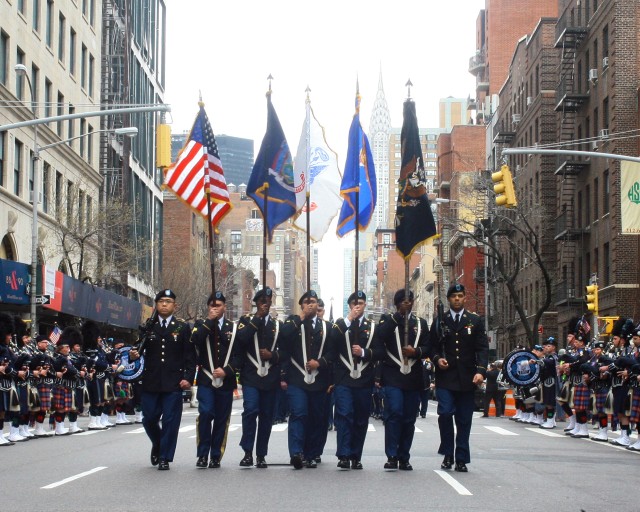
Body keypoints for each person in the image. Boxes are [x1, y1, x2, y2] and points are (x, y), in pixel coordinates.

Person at [129, 289, 195, 471]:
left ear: (175, 305)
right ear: (156, 305)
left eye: (168, 301)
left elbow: (189, 355)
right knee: (148, 419)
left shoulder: (182, 327)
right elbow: (137, 351)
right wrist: (133, 354)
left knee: (170, 421)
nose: (164, 304)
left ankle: (165, 457)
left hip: (174, 382)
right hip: (150, 381)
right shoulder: (147, 327)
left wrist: (188, 378)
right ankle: (157, 444)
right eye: (161, 301)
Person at [427, 283, 489, 473]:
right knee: (445, 413)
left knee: (464, 419)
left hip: (467, 378)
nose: (457, 299)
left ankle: (461, 458)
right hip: (446, 377)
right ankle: (448, 453)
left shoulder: (475, 321)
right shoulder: (440, 320)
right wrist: (437, 359)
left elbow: (482, 348)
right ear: (448, 299)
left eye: (460, 296)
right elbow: (432, 346)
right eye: (453, 296)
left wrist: (481, 371)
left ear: (464, 298)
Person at [327, 290, 381, 470]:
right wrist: (350, 318)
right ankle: (343, 455)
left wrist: (364, 352)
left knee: (360, 418)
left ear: (365, 305)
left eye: (361, 303)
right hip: (344, 378)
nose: (358, 307)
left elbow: (380, 351)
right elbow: (332, 341)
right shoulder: (341, 324)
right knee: (344, 414)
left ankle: (355, 455)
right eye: (354, 304)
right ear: (349, 306)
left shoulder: (372, 327)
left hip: (364, 379)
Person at [377, 289, 429, 471]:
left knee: (408, 418)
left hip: (413, 376)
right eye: (403, 301)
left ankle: (404, 456)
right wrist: (398, 317)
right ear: (397, 303)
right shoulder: (388, 320)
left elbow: (428, 346)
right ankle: (392, 455)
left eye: (410, 301)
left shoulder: (420, 324)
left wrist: (417, 352)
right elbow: (380, 336)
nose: (407, 304)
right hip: (393, 374)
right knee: (394, 413)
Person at [280, 289, 332, 469]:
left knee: (316, 417)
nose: (311, 304)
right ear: (301, 305)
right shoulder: (293, 322)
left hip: (318, 380)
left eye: (314, 301)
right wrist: (302, 316)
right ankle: (296, 452)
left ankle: (310, 454)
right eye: (307, 302)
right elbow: (283, 337)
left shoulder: (327, 327)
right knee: (299, 413)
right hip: (297, 378)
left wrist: (320, 363)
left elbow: (333, 352)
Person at [190, 291, 240, 469]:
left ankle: (216, 455)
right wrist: (210, 322)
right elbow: (195, 340)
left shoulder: (233, 328)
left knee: (221, 418)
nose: (215, 308)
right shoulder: (201, 325)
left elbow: (239, 355)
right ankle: (203, 454)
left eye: (218, 305)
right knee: (206, 413)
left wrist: (227, 370)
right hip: (206, 379)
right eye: (212, 305)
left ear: (224, 307)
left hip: (225, 381)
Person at [235, 287, 283, 468]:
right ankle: (247, 451)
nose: (266, 304)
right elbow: (241, 339)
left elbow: (284, 351)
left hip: (270, 377)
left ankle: (261, 454)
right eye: (262, 301)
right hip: (251, 376)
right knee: (250, 410)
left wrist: (273, 356)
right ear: (256, 303)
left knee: (266, 416)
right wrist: (256, 320)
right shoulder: (246, 321)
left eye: (268, 301)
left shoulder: (277, 325)